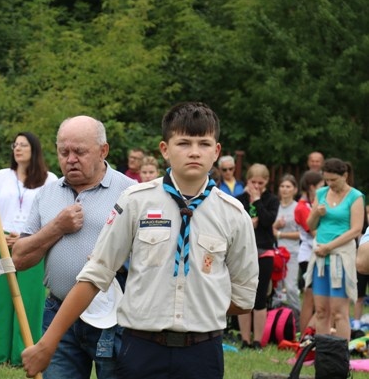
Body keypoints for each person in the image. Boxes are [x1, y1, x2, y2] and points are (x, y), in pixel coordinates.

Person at [19, 103, 258, 379]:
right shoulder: (136, 202)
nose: (194, 151)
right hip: (142, 349)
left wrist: (194, 306)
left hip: (202, 352)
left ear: (216, 151)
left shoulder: (233, 214)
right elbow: (95, 274)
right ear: (165, 149)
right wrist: (49, 342)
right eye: (183, 143)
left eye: (204, 143)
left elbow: (243, 296)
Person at [12, 116, 136, 379]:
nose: (70, 159)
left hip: (114, 318)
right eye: (63, 152)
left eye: (80, 152)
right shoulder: (47, 194)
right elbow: (19, 258)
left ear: (104, 150)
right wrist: (56, 227)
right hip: (58, 313)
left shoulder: (132, 193)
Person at [0, 132, 57, 366]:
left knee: (29, 300)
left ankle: (23, 354)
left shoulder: (49, 180)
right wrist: (1, 236)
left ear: (34, 149)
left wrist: (28, 237)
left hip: (33, 242)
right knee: (2, 299)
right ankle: (0, 355)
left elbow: (53, 215)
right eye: (15, 145)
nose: (17, 148)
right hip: (2, 242)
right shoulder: (1, 176)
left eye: (23, 145)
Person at [305, 158, 364, 340]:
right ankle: (323, 355)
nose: (330, 184)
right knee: (322, 311)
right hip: (320, 258)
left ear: (345, 176)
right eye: (327, 180)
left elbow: (356, 229)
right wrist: (316, 213)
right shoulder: (322, 193)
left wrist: (330, 246)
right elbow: (310, 224)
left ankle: (340, 357)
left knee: (339, 312)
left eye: (334, 180)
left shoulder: (355, 196)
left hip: (340, 257)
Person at [236, 163, 279, 350]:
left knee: (260, 297)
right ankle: (245, 339)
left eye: (261, 183)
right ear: (247, 181)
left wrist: (257, 201)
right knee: (243, 297)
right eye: (253, 182)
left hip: (264, 250)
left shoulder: (271, 200)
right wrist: (249, 222)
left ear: (267, 182)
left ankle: (257, 340)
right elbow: (236, 222)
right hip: (244, 252)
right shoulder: (239, 199)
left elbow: (269, 220)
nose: (257, 186)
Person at [294, 171, 324, 334]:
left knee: (314, 299)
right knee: (309, 300)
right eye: (321, 186)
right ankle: (304, 336)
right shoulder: (303, 206)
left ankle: (308, 335)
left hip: (314, 255)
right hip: (308, 256)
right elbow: (315, 233)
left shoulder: (310, 205)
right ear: (312, 187)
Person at [272, 174, 300, 311]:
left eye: (288, 186)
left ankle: (298, 317)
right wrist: (276, 225)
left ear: (295, 189)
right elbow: (269, 228)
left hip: (292, 253)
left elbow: (302, 234)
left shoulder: (298, 208)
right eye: (282, 186)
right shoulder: (275, 206)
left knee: (290, 288)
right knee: (276, 288)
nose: (285, 189)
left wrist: (280, 233)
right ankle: (277, 322)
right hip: (275, 253)